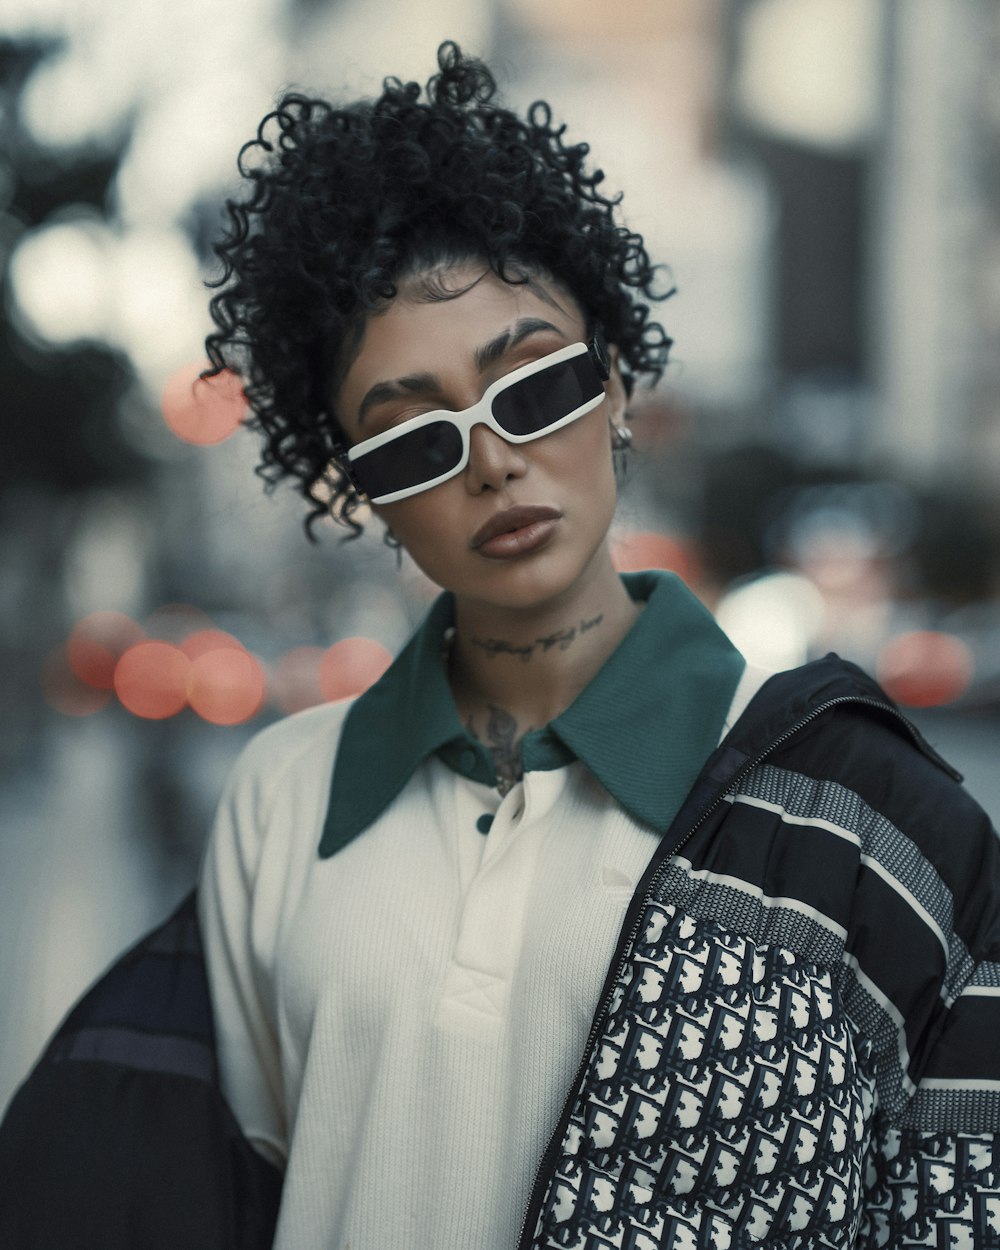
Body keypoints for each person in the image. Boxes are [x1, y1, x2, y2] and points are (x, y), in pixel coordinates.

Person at [3, 39, 1000, 1250]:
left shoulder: (869, 817)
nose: (491, 461)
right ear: (358, 493)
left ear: (619, 381)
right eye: (412, 440)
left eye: (532, 390)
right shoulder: (283, 796)